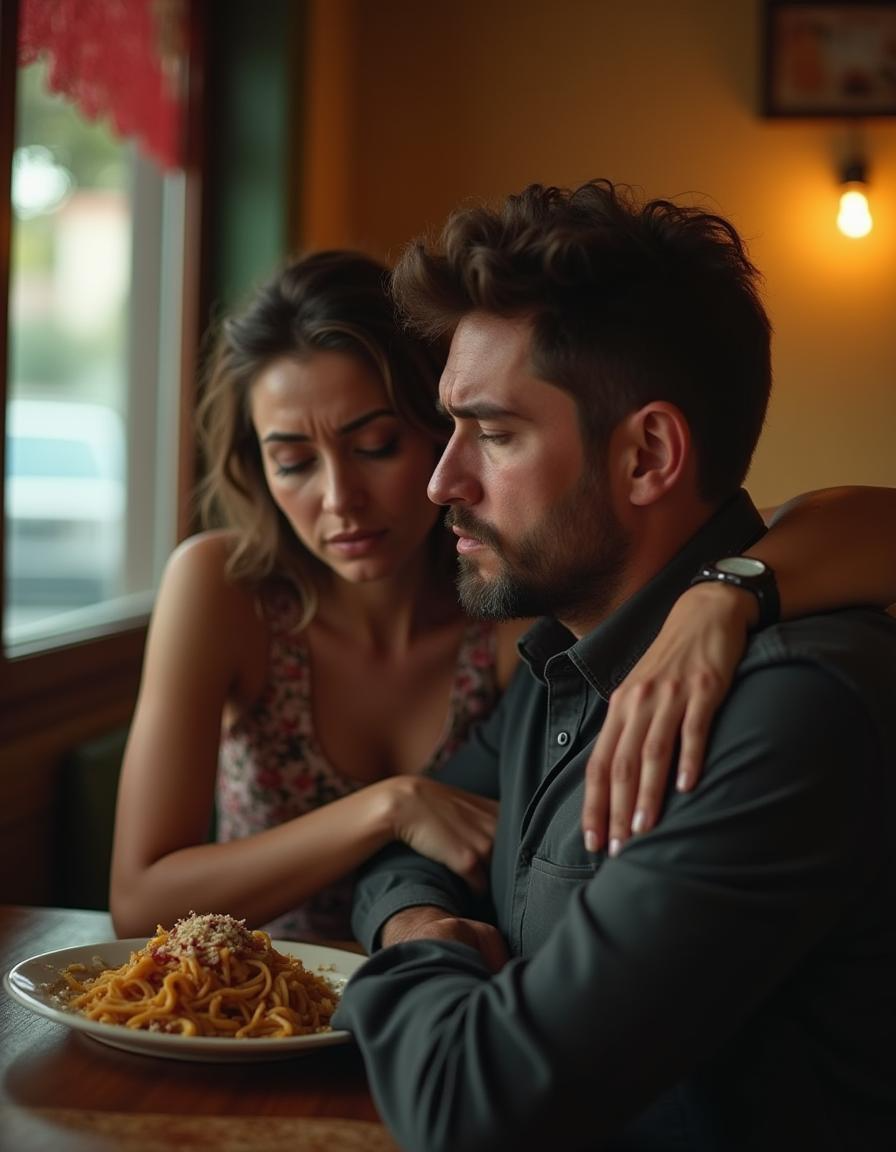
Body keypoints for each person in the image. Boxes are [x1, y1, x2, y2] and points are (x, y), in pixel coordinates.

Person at [110, 248, 895, 949]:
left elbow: (842, 522)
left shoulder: (519, 600)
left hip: (452, 1009)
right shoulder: (228, 587)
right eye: (292, 463)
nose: (339, 499)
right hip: (244, 1017)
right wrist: (392, 806)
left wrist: (722, 596)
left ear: (434, 427)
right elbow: (139, 900)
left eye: (377, 446)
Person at [334, 182, 896, 1151]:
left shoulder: (785, 715)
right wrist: (424, 930)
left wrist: (416, 963)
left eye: (495, 434)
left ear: (646, 456)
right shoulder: (563, 661)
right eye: (450, 427)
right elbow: (404, 851)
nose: (441, 483)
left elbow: (469, 1105)